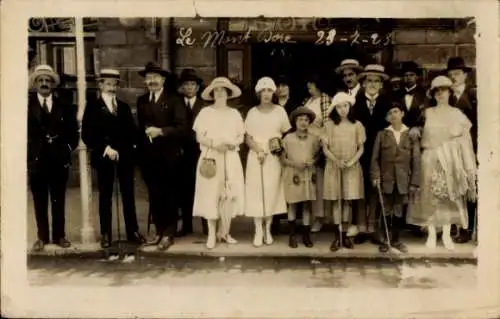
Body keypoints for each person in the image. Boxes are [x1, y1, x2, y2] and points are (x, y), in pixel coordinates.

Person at [407, 76, 477, 250]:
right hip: (429, 159)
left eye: (444, 90)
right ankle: (431, 233)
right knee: (429, 196)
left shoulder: (457, 114)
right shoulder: (427, 113)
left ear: (450, 92)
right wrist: (416, 129)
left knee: (448, 197)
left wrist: (466, 166)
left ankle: (446, 235)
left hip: (449, 160)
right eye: (437, 91)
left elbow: (465, 141)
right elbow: (417, 129)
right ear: (433, 94)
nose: (440, 94)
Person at [82, 68, 145, 248]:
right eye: (108, 83)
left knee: (128, 194)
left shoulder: (123, 107)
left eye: (114, 84)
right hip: (104, 157)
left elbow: (132, 131)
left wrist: (132, 148)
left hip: (124, 157)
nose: (111, 87)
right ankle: (106, 234)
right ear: (101, 85)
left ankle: (132, 231)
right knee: (105, 195)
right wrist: (105, 148)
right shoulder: (93, 107)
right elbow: (88, 134)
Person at [136, 62, 188, 251]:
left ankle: (168, 233)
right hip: (149, 157)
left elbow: (182, 128)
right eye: (148, 78)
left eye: (155, 77)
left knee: (170, 195)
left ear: (163, 80)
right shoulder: (142, 101)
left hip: (169, 156)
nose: (151, 81)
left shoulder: (174, 99)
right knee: (155, 195)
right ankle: (158, 231)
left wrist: (161, 131)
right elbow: (141, 128)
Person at [28, 64, 79, 252]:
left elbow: (73, 133)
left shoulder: (64, 106)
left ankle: (59, 236)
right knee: (39, 200)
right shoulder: (27, 106)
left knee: (58, 200)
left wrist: (66, 149)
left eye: (47, 81)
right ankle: (42, 237)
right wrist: (29, 156)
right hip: (37, 161)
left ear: (52, 85)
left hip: (58, 161)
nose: (44, 84)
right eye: (40, 80)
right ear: (35, 84)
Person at [192, 77, 245, 249]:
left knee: (228, 194)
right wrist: (215, 144)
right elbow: (199, 136)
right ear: (212, 93)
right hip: (211, 157)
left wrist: (232, 143)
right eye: (217, 90)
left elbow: (241, 136)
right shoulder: (205, 112)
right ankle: (211, 234)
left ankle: (225, 232)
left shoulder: (234, 113)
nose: (220, 93)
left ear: (228, 93)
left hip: (230, 157)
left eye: (223, 90)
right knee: (211, 194)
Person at [245, 77, 291, 247]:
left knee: (272, 191)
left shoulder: (280, 111)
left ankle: (268, 229)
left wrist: (277, 147)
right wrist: (258, 150)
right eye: (263, 91)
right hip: (256, 155)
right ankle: (258, 229)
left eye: (269, 91)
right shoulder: (252, 112)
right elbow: (247, 137)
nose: (266, 94)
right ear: (258, 93)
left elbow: (286, 134)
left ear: (273, 93)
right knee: (257, 191)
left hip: (274, 155)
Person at [371, 102, 421, 253]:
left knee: (399, 210)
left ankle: (396, 240)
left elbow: (416, 160)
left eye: (396, 111)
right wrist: (375, 175)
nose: (393, 115)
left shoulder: (411, 135)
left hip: (402, 180)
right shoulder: (382, 134)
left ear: (402, 114)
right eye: (390, 113)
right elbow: (375, 158)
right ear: (387, 117)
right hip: (386, 179)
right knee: (385, 209)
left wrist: (414, 183)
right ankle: (385, 240)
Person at [351, 64, 391, 246]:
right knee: (360, 192)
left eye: (377, 81)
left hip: (381, 156)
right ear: (364, 84)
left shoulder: (388, 104)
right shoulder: (355, 105)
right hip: (360, 155)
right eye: (369, 81)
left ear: (381, 85)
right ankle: (361, 228)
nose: (373, 84)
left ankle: (374, 230)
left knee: (376, 191)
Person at [322, 92, 365, 251]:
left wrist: (351, 161)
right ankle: (336, 236)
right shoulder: (329, 125)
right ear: (335, 108)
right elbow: (325, 148)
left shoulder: (357, 125)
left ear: (350, 107)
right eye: (339, 107)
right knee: (336, 201)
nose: (342, 110)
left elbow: (361, 148)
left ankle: (346, 236)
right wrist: (336, 160)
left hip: (351, 167)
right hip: (334, 166)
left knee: (347, 201)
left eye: (345, 106)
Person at [445, 57, 478, 244]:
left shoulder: (473, 95)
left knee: (469, 188)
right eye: (450, 75)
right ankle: (454, 226)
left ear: (464, 75)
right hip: (450, 148)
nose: (453, 78)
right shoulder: (446, 96)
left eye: (457, 74)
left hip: (469, 147)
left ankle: (468, 229)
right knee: (453, 187)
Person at [281, 107, 320, 248]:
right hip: (293, 175)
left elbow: (318, 155)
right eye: (300, 119)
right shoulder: (288, 138)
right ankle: (292, 235)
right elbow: (283, 158)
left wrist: (313, 161)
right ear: (294, 121)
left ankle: (306, 235)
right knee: (293, 204)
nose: (303, 122)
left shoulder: (314, 139)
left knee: (306, 205)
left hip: (308, 174)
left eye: (306, 120)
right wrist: (294, 163)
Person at [177, 68, 208, 237]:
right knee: (184, 190)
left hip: (200, 152)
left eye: (192, 84)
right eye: (186, 84)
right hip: (182, 153)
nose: (189, 87)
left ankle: (206, 225)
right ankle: (187, 225)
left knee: (203, 187)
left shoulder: (204, 106)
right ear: (182, 87)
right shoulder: (177, 103)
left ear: (197, 87)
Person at [302, 74, 333, 233]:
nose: (309, 87)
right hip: (307, 142)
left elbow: (327, 123)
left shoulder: (325, 100)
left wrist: (324, 143)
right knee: (309, 181)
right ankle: (311, 216)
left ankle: (320, 217)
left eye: (311, 85)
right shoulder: (308, 101)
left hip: (319, 142)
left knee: (319, 182)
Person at [397, 61, 427, 128]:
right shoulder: (396, 94)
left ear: (416, 77)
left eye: (411, 75)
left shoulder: (424, 93)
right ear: (403, 77)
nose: (408, 77)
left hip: (418, 131)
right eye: (406, 75)